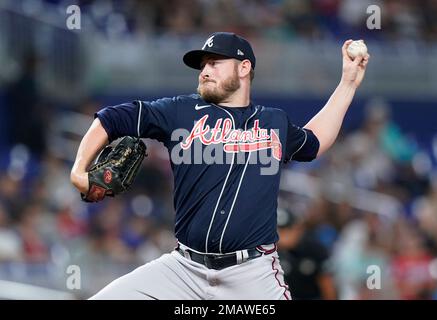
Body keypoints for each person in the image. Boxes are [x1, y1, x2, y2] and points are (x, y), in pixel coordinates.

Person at [70, 32, 369, 300]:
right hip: (183, 269)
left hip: (252, 274)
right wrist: (79, 169)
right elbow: (112, 118)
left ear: (244, 68)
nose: (205, 71)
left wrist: (348, 83)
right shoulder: (180, 112)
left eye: (214, 62)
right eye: (203, 66)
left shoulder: (272, 122)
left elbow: (314, 141)